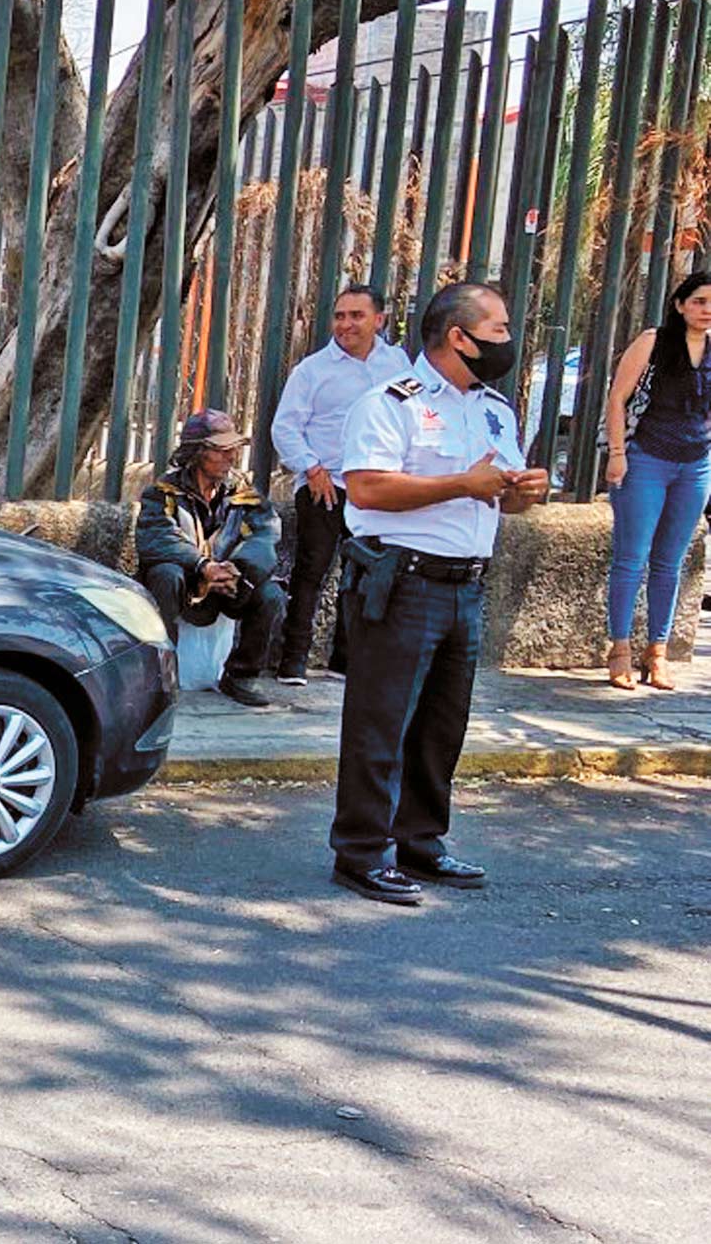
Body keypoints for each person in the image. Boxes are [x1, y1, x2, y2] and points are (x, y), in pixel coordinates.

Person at [330, 281, 548, 905]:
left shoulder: (494, 409)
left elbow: (497, 495)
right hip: (403, 580)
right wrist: (462, 483)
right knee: (380, 724)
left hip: (466, 584)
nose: (508, 340)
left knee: (441, 726)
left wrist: (522, 493)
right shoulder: (390, 402)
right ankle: (360, 852)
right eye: (498, 329)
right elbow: (367, 489)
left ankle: (420, 841)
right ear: (460, 336)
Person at [269, 285, 411, 684]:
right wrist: (311, 468)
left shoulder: (399, 365)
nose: (346, 324)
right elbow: (285, 428)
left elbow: (412, 415)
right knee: (311, 571)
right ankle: (293, 661)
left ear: (379, 320)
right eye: (340, 315)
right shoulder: (312, 370)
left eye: (356, 315)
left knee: (365, 573)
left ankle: (346, 661)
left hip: (376, 486)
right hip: (326, 484)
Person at [599, 270, 711, 690]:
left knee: (670, 561)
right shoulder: (654, 341)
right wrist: (617, 455)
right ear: (680, 305)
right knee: (631, 558)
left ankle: (657, 652)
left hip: (695, 464)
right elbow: (617, 398)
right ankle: (620, 649)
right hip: (646, 458)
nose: (706, 310)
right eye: (699, 301)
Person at [135, 409, 287, 709]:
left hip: (228, 583)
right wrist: (202, 566)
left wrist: (238, 570)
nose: (231, 456)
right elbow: (157, 538)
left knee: (271, 594)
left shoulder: (243, 492)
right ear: (197, 453)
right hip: (186, 581)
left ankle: (241, 676)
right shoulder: (162, 492)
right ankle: (160, 675)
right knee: (165, 574)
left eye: (233, 448)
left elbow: (265, 535)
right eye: (221, 450)